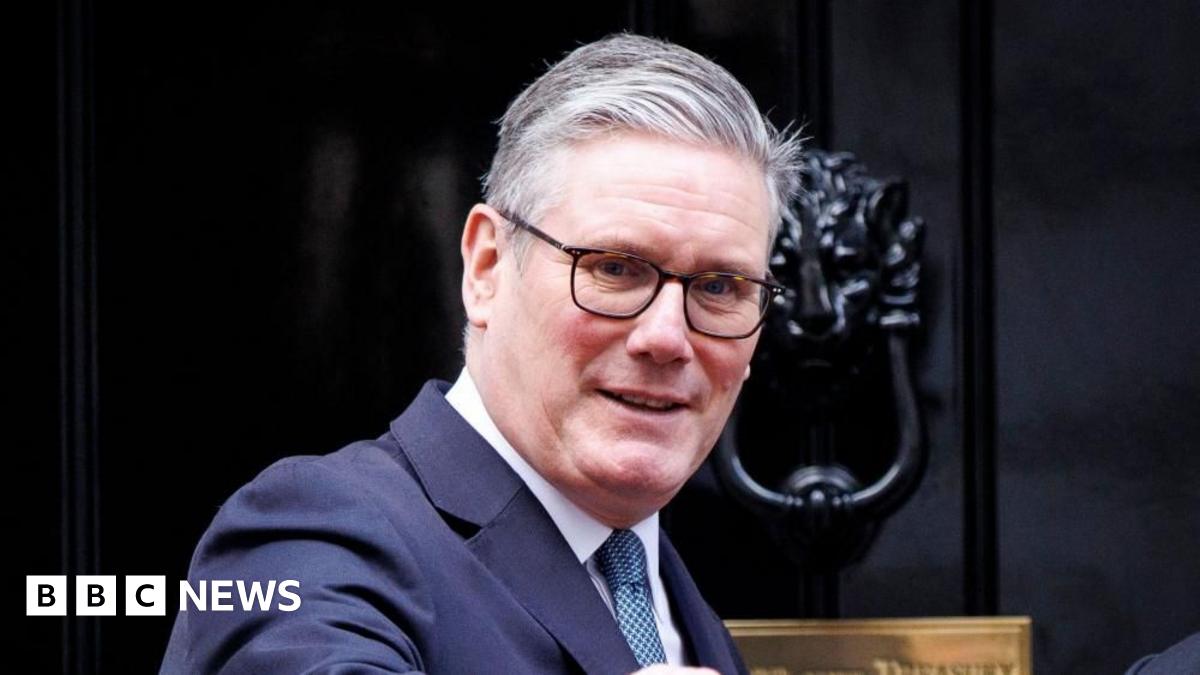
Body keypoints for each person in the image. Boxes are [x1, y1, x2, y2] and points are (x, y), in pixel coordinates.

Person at [161, 33, 801, 674]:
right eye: (614, 268)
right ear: (487, 267)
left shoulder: (672, 594)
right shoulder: (312, 534)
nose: (666, 337)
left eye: (720, 287)